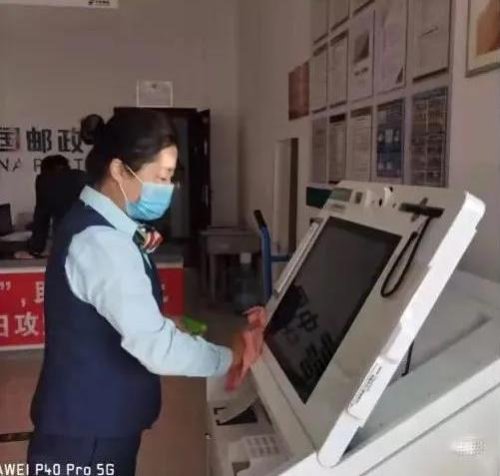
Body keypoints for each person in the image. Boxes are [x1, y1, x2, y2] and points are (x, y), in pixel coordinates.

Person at [27, 110, 245, 476]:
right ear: (119, 170)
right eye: (161, 177)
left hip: (90, 423)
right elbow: (157, 349)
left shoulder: (96, 221)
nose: (168, 188)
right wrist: (230, 358)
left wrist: (159, 321)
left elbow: (107, 311)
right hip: (88, 438)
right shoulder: (103, 242)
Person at [22, 154, 87, 257]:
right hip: (93, 237)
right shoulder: (83, 176)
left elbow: (41, 218)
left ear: (45, 171)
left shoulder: (45, 181)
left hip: (66, 240)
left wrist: (35, 248)